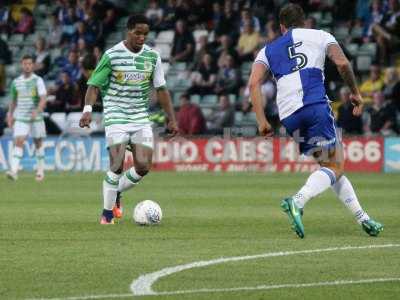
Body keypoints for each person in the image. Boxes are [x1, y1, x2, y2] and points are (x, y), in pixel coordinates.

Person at [248, 3, 383, 238]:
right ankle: (297, 201)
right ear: (305, 21)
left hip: (289, 115)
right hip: (314, 106)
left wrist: (262, 121)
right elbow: (342, 63)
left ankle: (364, 219)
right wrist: (355, 92)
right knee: (335, 166)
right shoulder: (321, 35)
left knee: (330, 167)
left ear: (282, 27)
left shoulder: (267, 50)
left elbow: (253, 83)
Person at [79, 14, 178, 225]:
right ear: (128, 31)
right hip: (116, 116)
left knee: (143, 166)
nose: (142, 37)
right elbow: (94, 85)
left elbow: (161, 89)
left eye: (145, 33)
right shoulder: (112, 55)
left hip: (141, 117)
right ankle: (106, 215)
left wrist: (171, 118)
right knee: (116, 164)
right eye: (138, 33)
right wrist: (87, 110)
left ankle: (115, 193)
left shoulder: (152, 57)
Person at [5, 55, 47, 181]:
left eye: (29, 63)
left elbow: (43, 99)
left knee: (38, 142)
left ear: (33, 65)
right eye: (25, 64)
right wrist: (10, 115)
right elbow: (13, 101)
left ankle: (40, 170)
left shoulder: (38, 80)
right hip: (21, 117)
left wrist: (37, 110)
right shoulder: (16, 82)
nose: (27, 66)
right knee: (19, 141)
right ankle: (13, 171)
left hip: (36, 117)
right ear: (21, 65)